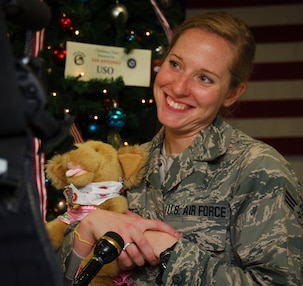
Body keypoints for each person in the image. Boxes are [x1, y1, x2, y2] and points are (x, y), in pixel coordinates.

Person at [55, 11, 303, 286]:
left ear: (232, 93)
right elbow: (57, 275)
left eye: (204, 78)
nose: (179, 87)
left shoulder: (258, 170)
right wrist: (88, 230)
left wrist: (170, 253)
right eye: (175, 64)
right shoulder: (126, 163)